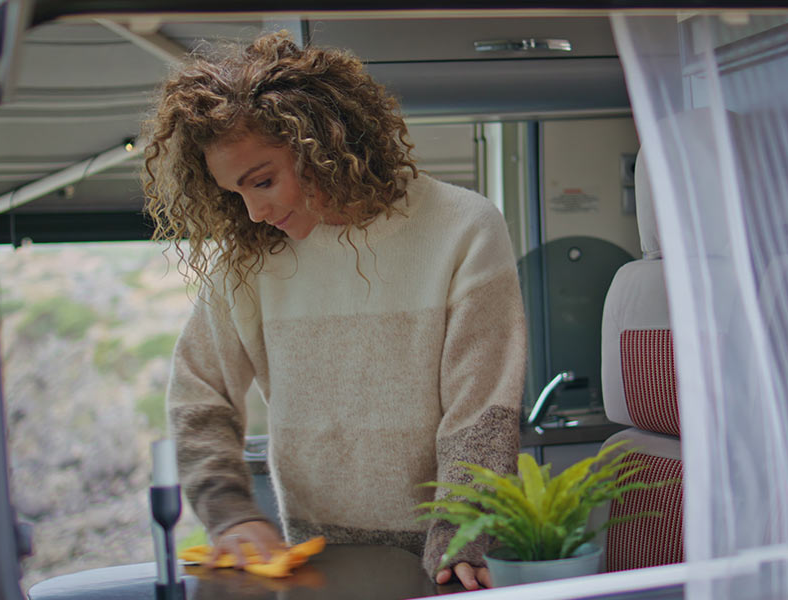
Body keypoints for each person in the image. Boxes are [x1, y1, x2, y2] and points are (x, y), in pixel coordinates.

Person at [141, 31, 526, 591]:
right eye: (236, 194)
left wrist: (461, 532)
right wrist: (231, 512)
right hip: (318, 565)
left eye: (264, 181)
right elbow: (199, 391)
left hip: (448, 562)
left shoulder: (464, 227)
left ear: (320, 140)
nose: (253, 212)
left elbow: (481, 411)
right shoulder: (251, 258)